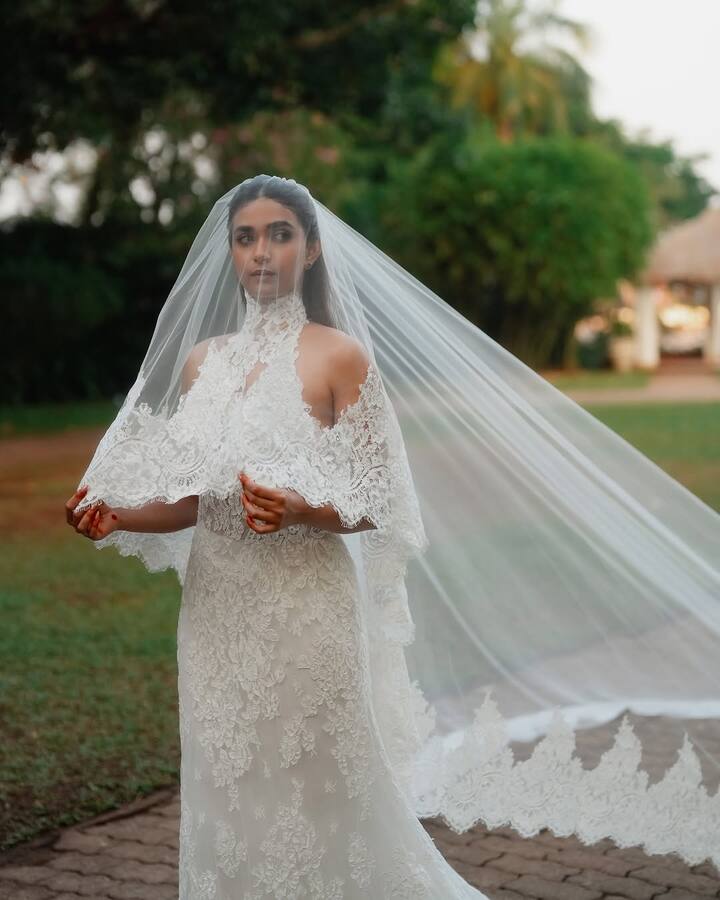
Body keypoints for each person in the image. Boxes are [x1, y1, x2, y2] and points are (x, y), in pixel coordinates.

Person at [67, 175, 720, 894]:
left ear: (311, 249)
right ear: (230, 251)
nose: (261, 253)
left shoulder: (339, 356)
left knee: (319, 782)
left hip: (305, 606)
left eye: (280, 235)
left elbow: (379, 496)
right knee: (227, 777)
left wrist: (300, 508)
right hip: (217, 607)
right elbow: (194, 499)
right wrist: (121, 515)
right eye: (245, 238)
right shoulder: (202, 363)